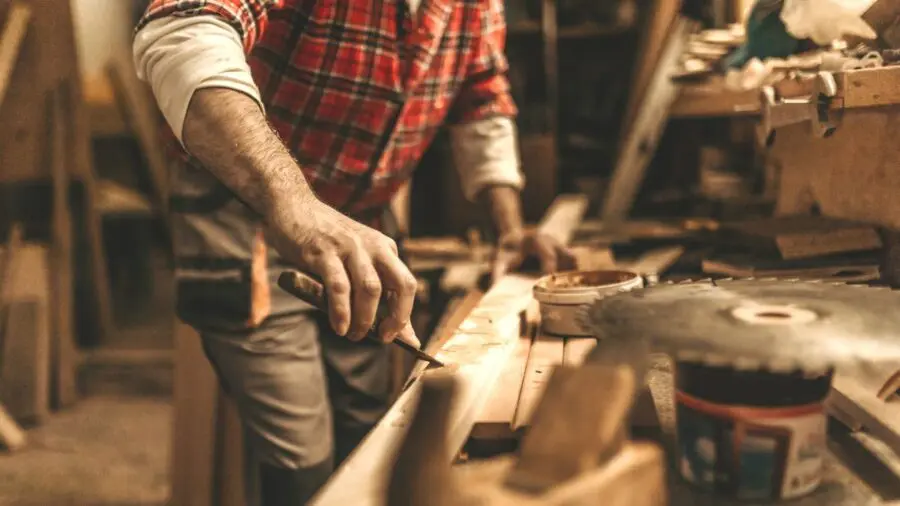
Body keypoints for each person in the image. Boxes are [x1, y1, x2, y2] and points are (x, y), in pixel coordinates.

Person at [132, 1, 573, 504]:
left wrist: (509, 228)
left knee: (366, 428)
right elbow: (184, 24)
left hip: (364, 221)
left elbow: (482, 96)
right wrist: (294, 204)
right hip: (243, 205)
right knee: (303, 455)